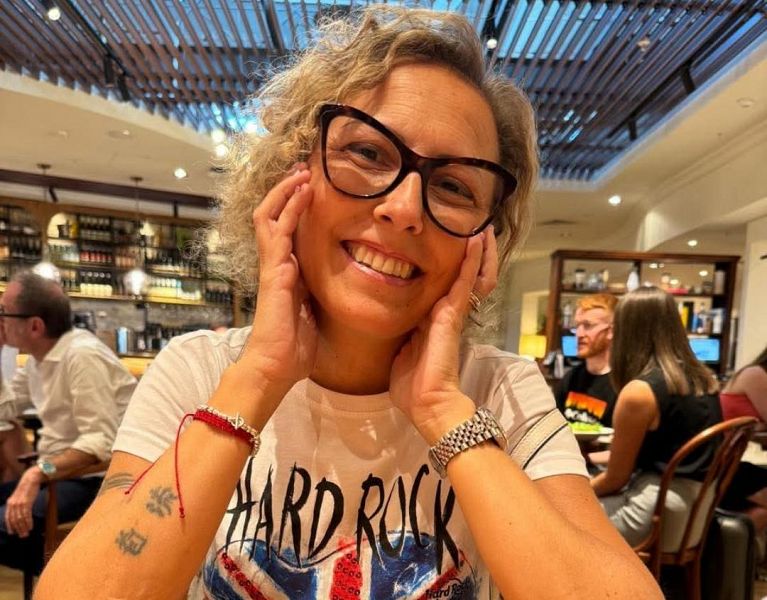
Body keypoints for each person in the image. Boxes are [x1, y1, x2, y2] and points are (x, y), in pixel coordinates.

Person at [37, 7, 661, 599]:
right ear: (290, 175)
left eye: (452, 186)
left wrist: (443, 411)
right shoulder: (198, 372)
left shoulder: (502, 392)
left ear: (484, 241)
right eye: (367, 153)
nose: (404, 208)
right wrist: (257, 379)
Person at [0, 271, 136, 576]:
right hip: (56, 474)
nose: (1, 320)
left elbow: (98, 443)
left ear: (35, 326)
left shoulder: (81, 356)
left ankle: (74, 574)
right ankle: (69, 573)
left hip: (94, 479)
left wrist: (37, 473)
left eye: (4, 312)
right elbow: (4, 409)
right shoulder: (38, 360)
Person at [592, 286, 722, 546]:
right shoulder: (704, 380)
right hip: (694, 513)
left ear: (628, 331)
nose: (612, 335)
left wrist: (569, 492)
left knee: (557, 519)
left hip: (654, 514)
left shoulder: (640, 392)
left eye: (615, 327)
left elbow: (615, 480)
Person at [719, 346, 767, 533]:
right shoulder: (755, 374)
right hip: (718, 468)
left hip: (727, 463)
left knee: (761, 512)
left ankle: (734, 545)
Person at [556, 293, 618, 428]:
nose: (579, 334)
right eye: (577, 326)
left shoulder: (623, 383)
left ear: (611, 331)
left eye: (588, 325)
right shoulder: (570, 378)